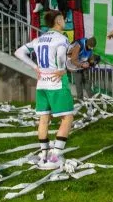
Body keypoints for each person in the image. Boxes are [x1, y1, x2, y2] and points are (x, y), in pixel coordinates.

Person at [14, 10, 77, 168]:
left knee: (44, 119)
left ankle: (43, 155)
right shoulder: (62, 38)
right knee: (67, 118)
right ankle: (55, 156)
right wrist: (62, 68)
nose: (65, 21)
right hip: (56, 81)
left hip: (42, 82)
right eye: (63, 19)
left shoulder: (39, 39)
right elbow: (62, 53)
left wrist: (35, 67)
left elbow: (18, 52)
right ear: (58, 21)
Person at [67, 36, 99, 101]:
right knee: (78, 82)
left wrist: (92, 61)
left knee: (87, 80)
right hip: (73, 65)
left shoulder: (90, 45)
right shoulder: (79, 46)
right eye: (91, 47)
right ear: (87, 44)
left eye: (93, 47)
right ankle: (80, 99)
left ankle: (91, 97)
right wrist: (82, 65)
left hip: (82, 63)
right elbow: (73, 60)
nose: (92, 48)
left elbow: (90, 56)